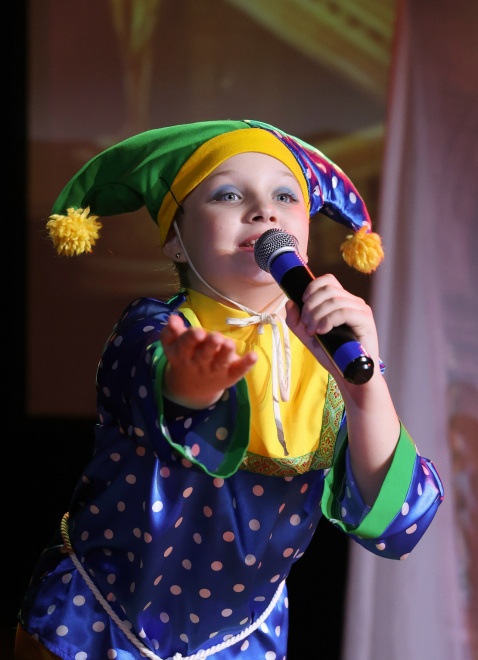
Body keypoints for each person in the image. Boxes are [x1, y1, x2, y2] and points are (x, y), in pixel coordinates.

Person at [15, 119, 444, 660]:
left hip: (242, 643)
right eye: (229, 194)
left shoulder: (328, 361)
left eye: (284, 196)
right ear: (176, 239)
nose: (264, 212)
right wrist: (193, 389)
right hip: (96, 628)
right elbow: (155, 390)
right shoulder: (152, 331)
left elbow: (398, 523)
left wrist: (365, 390)